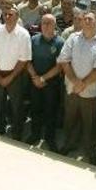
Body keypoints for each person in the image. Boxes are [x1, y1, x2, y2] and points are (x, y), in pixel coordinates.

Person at [58, 11, 96, 165]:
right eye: (85, 19)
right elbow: (64, 60)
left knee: (92, 124)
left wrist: (83, 83)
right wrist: (75, 81)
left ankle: (92, 151)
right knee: (70, 120)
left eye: (90, 19)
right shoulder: (72, 38)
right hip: (72, 90)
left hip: (92, 93)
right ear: (81, 22)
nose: (87, 21)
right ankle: (69, 144)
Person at [0, 4, 32, 139]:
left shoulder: (24, 34)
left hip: (16, 75)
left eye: (10, 14)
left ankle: (17, 132)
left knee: (16, 106)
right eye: (5, 14)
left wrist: (10, 77)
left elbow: (24, 60)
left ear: (17, 16)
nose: (7, 17)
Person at [26, 14, 65, 150]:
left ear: (55, 25)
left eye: (49, 23)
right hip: (34, 81)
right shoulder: (34, 39)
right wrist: (35, 78)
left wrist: (42, 79)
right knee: (35, 109)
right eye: (44, 23)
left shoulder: (60, 42)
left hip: (51, 84)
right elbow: (27, 60)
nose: (46, 26)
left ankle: (50, 138)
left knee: (51, 111)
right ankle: (35, 134)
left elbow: (59, 66)